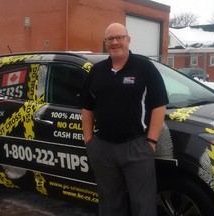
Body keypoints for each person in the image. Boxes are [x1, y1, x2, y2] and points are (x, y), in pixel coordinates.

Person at [81, 23, 169, 216]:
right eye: (110, 39)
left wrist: (151, 142)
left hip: (136, 147)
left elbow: (159, 105)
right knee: (110, 202)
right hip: (103, 148)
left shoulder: (144, 67)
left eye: (119, 37)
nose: (115, 42)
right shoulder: (97, 71)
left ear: (128, 40)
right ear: (105, 43)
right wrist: (89, 140)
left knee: (142, 204)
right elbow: (87, 107)